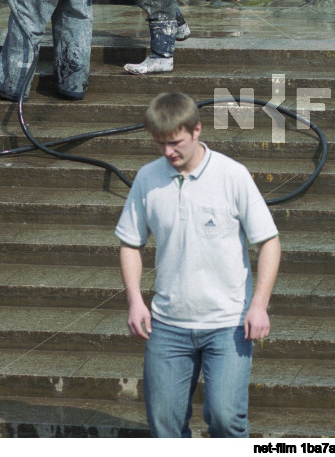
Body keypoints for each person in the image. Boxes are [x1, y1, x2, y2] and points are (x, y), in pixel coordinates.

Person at [116, 92, 281, 438]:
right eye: (159, 144)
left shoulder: (232, 175)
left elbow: (269, 242)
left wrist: (259, 306)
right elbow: (130, 243)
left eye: (174, 143)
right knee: (164, 424)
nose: (167, 152)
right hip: (168, 324)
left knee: (225, 418)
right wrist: (135, 301)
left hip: (228, 323)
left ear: (196, 130)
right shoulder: (147, 178)